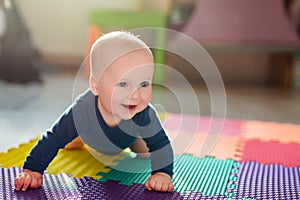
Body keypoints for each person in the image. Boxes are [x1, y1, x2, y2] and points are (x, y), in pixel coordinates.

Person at [14, 31, 174, 192]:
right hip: (90, 134)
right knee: (68, 137)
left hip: (129, 138)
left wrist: (162, 174)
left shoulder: (144, 112)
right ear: (95, 86)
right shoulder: (83, 109)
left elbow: (161, 144)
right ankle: (78, 138)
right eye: (123, 84)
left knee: (145, 152)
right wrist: (32, 170)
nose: (135, 95)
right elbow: (53, 138)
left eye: (144, 84)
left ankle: (135, 141)